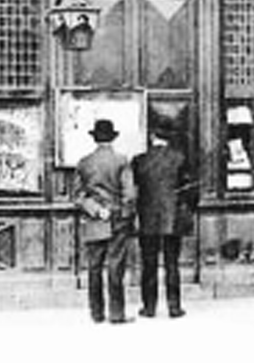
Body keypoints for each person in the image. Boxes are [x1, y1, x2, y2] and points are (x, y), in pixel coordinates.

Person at [131, 119, 196, 319]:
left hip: (147, 218)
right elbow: (191, 190)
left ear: (152, 137)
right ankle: (174, 307)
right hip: (172, 218)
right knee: (172, 263)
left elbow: (133, 191)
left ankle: (149, 307)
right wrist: (186, 210)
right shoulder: (180, 158)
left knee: (148, 264)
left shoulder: (140, 160)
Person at [73, 118, 136, 324]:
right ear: (112, 138)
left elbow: (78, 196)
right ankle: (116, 314)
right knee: (116, 267)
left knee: (94, 267)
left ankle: (97, 313)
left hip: (94, 219)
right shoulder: (121, 161)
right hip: (117, 219)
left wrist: (97, 210)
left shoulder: (84, 163)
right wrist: (122, 214)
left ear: (95, 139)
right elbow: (129, 195)